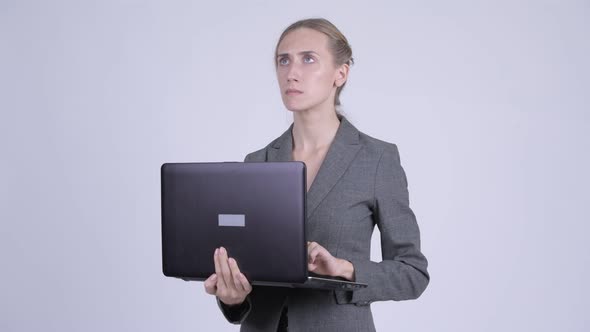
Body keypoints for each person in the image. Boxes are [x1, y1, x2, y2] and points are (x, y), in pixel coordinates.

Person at [203, 18, 429, 332]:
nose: (291, 73)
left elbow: (412, 273)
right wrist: (231, 297)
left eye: (308, 59)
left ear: (341, 73)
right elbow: (248, 277)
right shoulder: (257, 161)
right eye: (284, 60)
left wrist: (346, 269)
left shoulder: (377, 159)